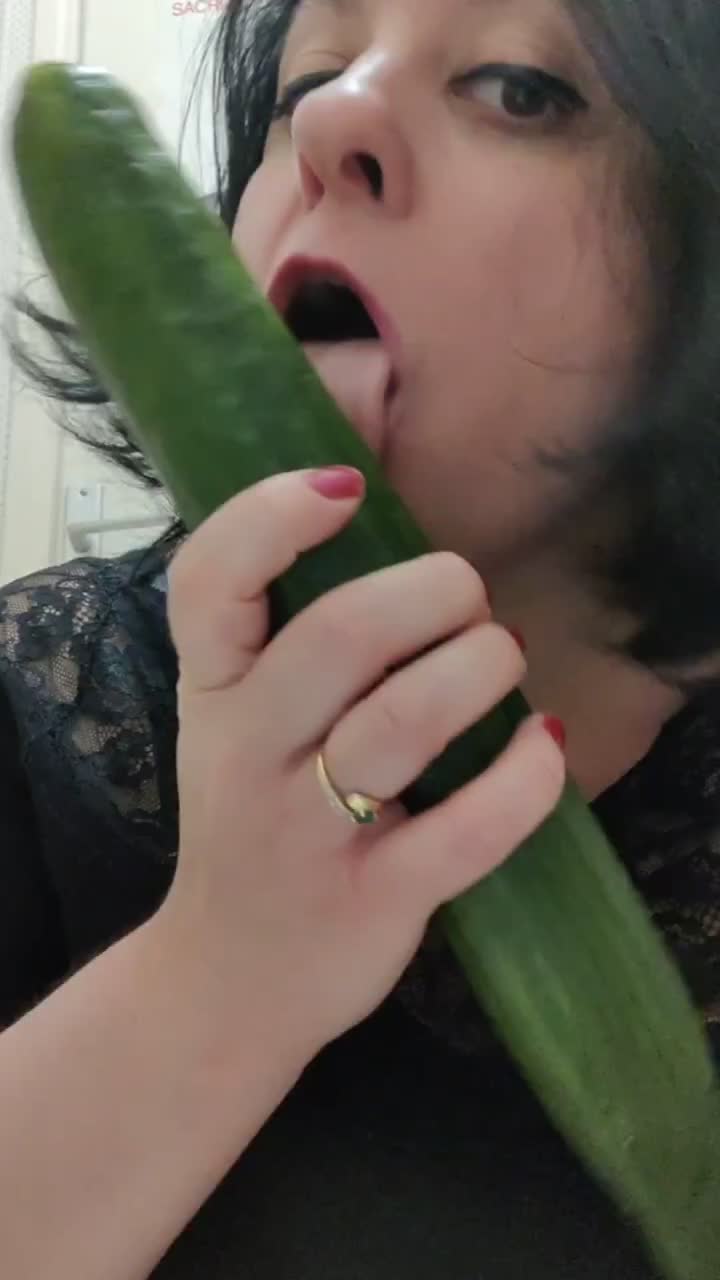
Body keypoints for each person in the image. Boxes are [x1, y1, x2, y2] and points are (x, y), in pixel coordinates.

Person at [1, 0, 720, 1275]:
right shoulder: (42, 703)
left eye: (518, 89)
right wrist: (216, 972)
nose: (336, 115)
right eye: (303, 85)